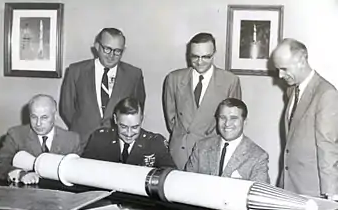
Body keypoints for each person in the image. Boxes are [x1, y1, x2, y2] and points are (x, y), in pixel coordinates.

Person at [163, 32, 242, 170]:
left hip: (211, 152)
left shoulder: (230, 81)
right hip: (180, 152)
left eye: (206, 57)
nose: (200, 62)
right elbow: (172, 120)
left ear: (214, 53)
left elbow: (232, 122)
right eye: (195, 56)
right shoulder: (174, 78)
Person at [272, 38, 338, 198]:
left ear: (301, 60)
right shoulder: (292, 91)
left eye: (284, 69)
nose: (280, 75)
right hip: (288, 186)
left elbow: (327, 146)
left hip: (312, 191)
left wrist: (331, 193)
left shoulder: (326, 93)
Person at [60, 28, 146, 148]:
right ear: (97, 46)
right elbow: (66, 108)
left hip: (117, 145)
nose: (111, 55)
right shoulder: (76, 71)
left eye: (117, 51)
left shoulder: (133, 75)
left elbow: (137, 109)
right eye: (107, 49)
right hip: (82, 143)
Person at [0, 94, 81, 184]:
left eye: (44, 117)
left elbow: (77, 174)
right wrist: (20, 174)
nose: (38, 123)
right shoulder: (16, 135)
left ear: (55, 116)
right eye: (34, 117)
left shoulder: (72, 139)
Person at [186, 98, 269, 183]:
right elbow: (187, 183)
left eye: (233, 118)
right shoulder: (201, 147)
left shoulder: (258, 156)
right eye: (222, 118)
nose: (227, 123)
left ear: (244, 122)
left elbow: (259, 194)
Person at [83, 97, 175, 168]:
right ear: (115, 119)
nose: (129, 133)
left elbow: (169, 177)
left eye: (135, 127)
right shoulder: (99, 139)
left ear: (141, 119)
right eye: (123, 127)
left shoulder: (155, 143)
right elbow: (82, 171)